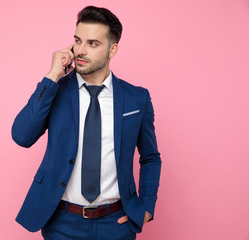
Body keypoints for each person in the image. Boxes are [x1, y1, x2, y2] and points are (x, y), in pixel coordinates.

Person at [12, 6, 161, 240]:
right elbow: (22, 136)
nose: (80, 50)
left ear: (113, 49)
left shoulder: (137, 98)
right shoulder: (56, 91)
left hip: (116, 224)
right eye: (78, 41)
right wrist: (52, 75)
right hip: (62, 223)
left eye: (93, 43)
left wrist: (147, 208)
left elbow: (150, 157)